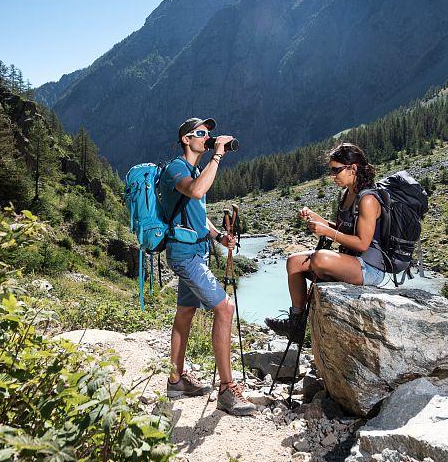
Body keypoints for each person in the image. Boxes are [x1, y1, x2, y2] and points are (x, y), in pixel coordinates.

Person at [158, 117, 257, 416]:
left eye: (209, 133)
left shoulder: (195, 169)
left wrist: (218, 236)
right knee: (225, 308)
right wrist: (217, 156)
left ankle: (176, 380)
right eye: (201, 133)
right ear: (187, 139)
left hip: (196, 251)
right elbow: (197, 192)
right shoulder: (177, 168)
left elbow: (196, 211)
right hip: (184, 254)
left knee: (185, 313)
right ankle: (227, 390)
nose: (208, 137)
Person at [265, 142, 388, 340]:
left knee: (319, 258)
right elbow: (343, 229)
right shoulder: (348, 194)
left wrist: (327, 232)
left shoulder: (367, 199)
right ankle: (296, 323)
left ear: (353, 168)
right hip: (350, 261)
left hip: (369, 267)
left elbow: (362, 243)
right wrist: (317, 218)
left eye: (336, 170)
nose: (333, 176)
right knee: (294, 262)